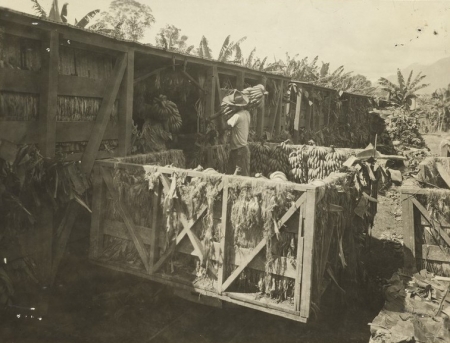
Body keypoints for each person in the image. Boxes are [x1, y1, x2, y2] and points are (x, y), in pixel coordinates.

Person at [222, 90, 251, 176]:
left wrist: (224, 116)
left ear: (236, 106)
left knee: (239, 178)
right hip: (241, 149)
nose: (230, 107)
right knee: (234, 175)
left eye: (232, 106)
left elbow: (225, 127)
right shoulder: (247, 113)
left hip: (239, 151)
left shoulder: (237, 116)